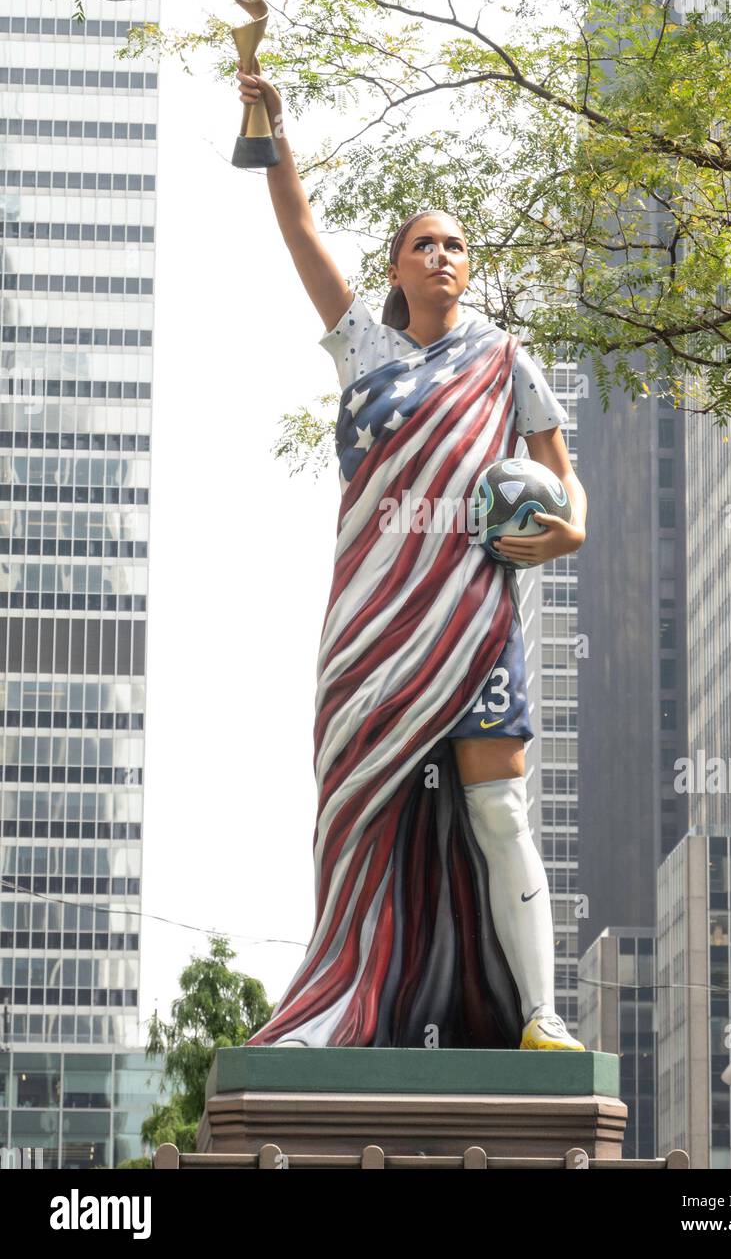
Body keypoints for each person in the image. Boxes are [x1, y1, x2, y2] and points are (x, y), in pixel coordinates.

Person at [238, 65, 589, 1050]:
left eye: (454, 245)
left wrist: (559, 532)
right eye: (422, 244)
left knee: (499, 811)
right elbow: (299, 226)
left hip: (478, 620)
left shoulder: (504, 362)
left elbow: (568, 496)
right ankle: (347, 1004)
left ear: (468, 271)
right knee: (363, 816)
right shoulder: (362, 351)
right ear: (394, 269)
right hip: (374, 627)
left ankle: (538, 1014)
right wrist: (268, 117)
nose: (440, 255)